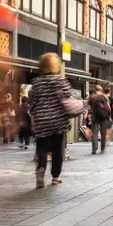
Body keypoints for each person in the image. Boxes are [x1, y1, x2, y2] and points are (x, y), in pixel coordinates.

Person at [29, 53, 73, 188]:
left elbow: (32, 102)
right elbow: (67, 96)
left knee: (41, 146)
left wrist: (34, 116)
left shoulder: (36, 82)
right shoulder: (60, 80)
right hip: (58, 120)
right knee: (57, 148)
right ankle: (55, 176)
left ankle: (41, 169)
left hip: (42, 120)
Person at [84, 85, 110, 155]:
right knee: (103, 133)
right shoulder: (105, 96)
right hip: (103, 117)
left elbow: (85, 106)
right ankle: (102, 147)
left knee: (94, 133)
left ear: (95, 90)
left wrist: (86, 112)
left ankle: (94, 149)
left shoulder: (91, 97)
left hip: (94, 117)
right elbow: (108, 108)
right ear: (101, 90)